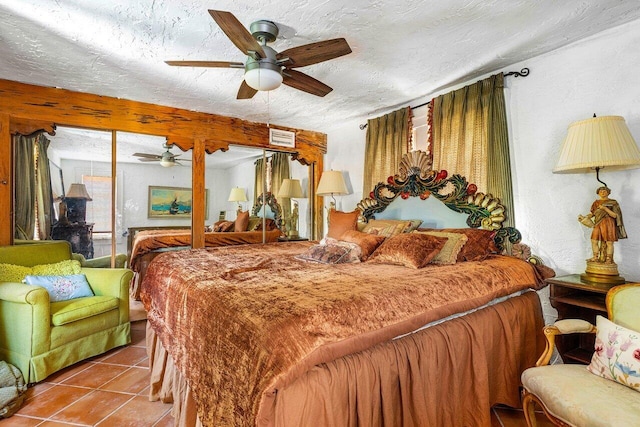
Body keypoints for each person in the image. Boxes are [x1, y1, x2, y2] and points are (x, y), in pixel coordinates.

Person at [578, 186, 627, 264]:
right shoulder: (596, 203)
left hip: (609, 223)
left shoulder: (613, 202)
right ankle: (595, 257)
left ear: (608, 192)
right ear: (598, 193)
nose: (602, 193)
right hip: (598, 223)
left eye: (604, 191)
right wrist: (585, 217)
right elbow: (592, 214)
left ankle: (608, 259)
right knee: (594, 240)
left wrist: (605, 208)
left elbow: (615, 215)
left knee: (609, 242)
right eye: (601, 191)